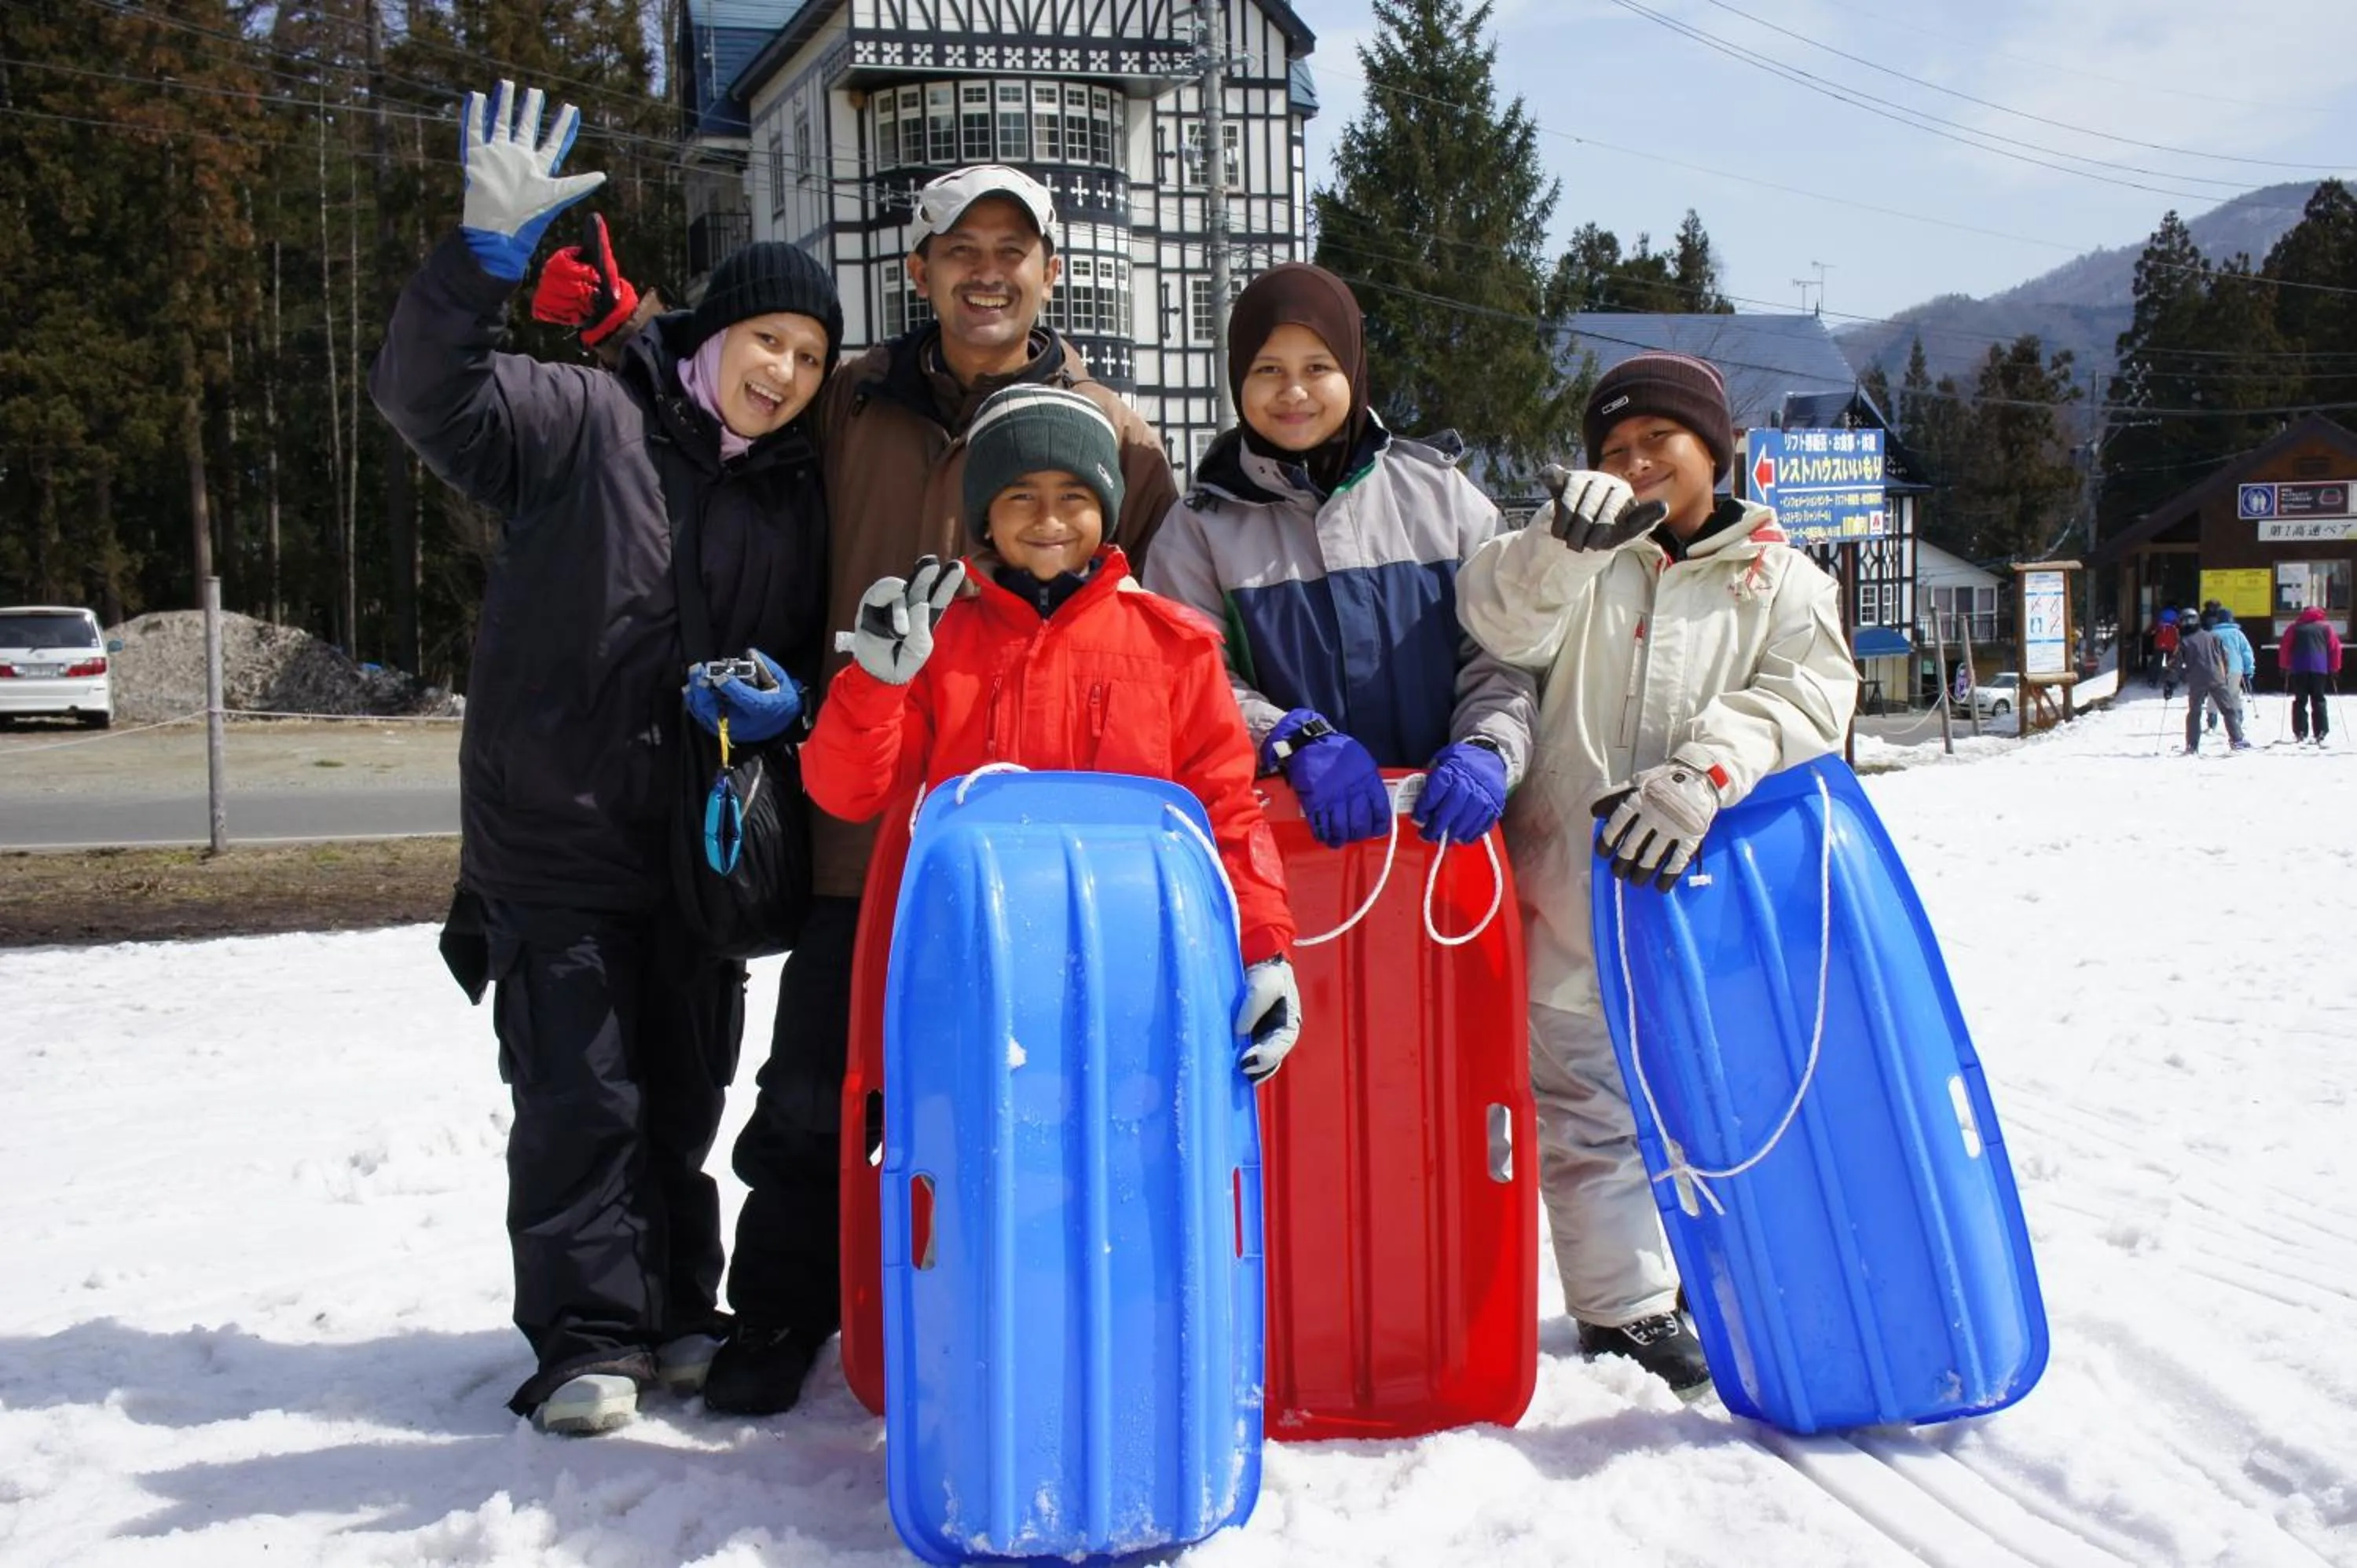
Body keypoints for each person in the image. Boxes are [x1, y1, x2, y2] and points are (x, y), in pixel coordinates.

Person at [370, 81, 839, 1434]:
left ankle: (679, 1308)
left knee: (682, 1092)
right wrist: (480, 265)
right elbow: (426, 394)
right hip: (559, 830)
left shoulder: (789, 490)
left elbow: (805, 653)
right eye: (767, 340)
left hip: (696, 850)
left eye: (809, 357)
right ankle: (586, 1337)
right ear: (715, 334)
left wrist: (784, 704)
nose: (785, 374)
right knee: (581, 1094)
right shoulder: (580, 422)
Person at [1455, 352, 1858, 1396]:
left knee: (1724, 1093)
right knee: (1586, 1103)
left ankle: (1746, 1282)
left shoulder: (1781, 579)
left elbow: (1813, 698)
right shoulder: (1577, 555)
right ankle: (1624, 1309)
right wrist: (1561, 547)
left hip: (1710, 891)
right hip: (1570, 890)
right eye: (1614, 450)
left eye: (1658, 444)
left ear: (1713, 451)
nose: (1635, 465)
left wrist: (1708, 770)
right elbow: (1496, 618)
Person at [799, 384, 1301, 1092]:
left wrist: (1264, 950)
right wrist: (875, 684)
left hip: (1134, 979)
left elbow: (1225, 809)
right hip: (971, 977)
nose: (1049, 520)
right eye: (1019, 497)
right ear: (985, 517)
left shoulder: (1173, 648)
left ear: (1107, 506)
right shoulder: (937, 645)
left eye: (1073, 495)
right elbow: (847, 792)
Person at [1142, 262, 1536, 850]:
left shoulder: (1443, 498)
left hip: (1444, 849)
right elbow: (1187, 683)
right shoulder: (1201, 528)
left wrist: (1489, 749)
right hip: (1284, 848)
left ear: (1352, 367)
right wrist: (1285, 739)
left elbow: (1503, 653)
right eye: (1268, 369)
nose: (1293, 392)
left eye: (1318, 368)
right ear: (1237, 377)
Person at [2176, 612, 2249, 753]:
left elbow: (2176, 663)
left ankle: (2192, 745)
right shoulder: (2212, 637)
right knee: (2228, 709)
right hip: (2216, 677)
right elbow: (2224, 656)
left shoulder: (2185, 641)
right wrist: (2225, 674)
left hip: (2197, 679)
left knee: (2195, 712)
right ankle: (2237, 739)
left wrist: (2171, 682)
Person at [2279, 605, 2343, 745]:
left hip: (2299, 668)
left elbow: (2285, 647)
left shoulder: (2295, 628)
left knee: (2300, 700)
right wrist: (2334, 668)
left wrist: (2284, 666)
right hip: (2319, 668)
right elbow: (2335, 649)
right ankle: (2321, 731)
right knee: (2318, 699)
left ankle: (2300, 731)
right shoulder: (2326, 628)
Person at [2204, 606, 2256, 733]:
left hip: (2216, 670)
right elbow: (2246, 652)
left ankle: (2212, 721)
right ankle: (2238, 719)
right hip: (2235, 668)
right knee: (2234, 694)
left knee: (2214, 695)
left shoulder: (2211, 634)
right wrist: (2249, 670)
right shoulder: (2237, 634)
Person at [2153, 609, 2181, 696]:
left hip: (2159, 645)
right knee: (2172, 664)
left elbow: (2152, 632)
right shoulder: (2175, 626)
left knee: (2157, 663)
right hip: (2172, 646)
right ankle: (2172, 682)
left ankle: (2153, 681)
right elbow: (2180, 635)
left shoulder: (2159, 624)